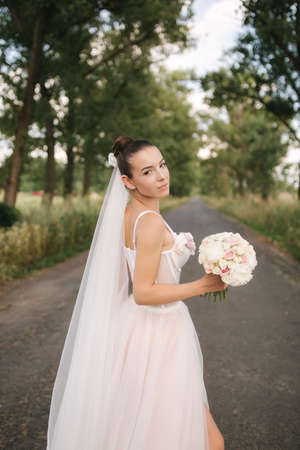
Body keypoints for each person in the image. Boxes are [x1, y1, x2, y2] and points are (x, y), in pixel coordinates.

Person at [46, 135, 227, 450]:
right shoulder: (150, 223)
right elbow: (143, 291)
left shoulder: (130, 214)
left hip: (137, 325)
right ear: (127, 181)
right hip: (159, 330)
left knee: (146, 424)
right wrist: (203, 285)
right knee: (207, 440)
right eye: (147, 172)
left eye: (161, 165)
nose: (161, 175)